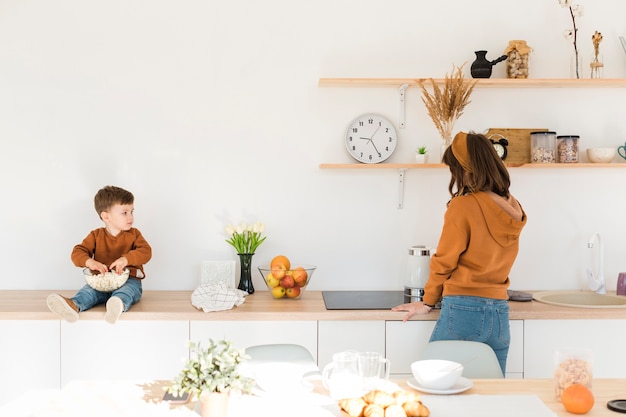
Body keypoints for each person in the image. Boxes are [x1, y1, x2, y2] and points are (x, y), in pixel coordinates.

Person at [392, 131, 527, 375]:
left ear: (465, 168)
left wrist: (428, 301)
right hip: (499, 312)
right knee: (490, 395)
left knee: (434, 385)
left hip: (464, 310)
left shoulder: (464, 206)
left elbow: (444, 261)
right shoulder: (512, 206)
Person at [47, 185, 152, 324]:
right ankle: (73, 306)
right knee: (87, 292)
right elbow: (78, 252)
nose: (130, 217)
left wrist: (126, 259)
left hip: (129, 280)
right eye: (124, 212)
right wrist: (90, 262)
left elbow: (146, 252)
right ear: (106, 216)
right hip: (101, 282)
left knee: (126, 292)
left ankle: (116, 305)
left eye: (132, 211)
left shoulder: (134, 234)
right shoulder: (96, 236)